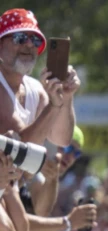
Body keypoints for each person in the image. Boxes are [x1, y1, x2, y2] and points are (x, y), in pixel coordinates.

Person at [0, 8, 79, 146]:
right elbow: (21, 148)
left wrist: (66, 96)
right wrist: (54, 105)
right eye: (20, 38)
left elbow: (61, 139)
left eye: (35, 40)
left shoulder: (35, 90)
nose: (29, 44)